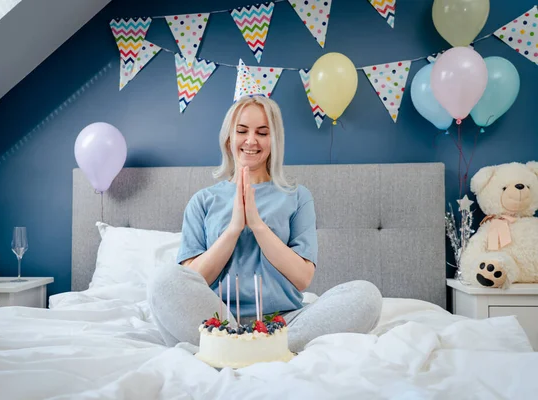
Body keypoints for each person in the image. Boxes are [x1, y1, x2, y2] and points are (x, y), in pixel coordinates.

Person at [147, 95, 382, 353]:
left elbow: (303, 278)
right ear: (228, 138)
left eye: (262, 132)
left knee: (366, 295)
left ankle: (239, 351)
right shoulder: (202, 201)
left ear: (274, 140)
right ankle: (253, 349)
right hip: (218, 320)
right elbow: (193, 278)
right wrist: (235, 227)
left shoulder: (298, 196)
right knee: (163, 280)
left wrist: (257, 224)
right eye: (242, 131)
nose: (251, 140)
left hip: (283, 324)